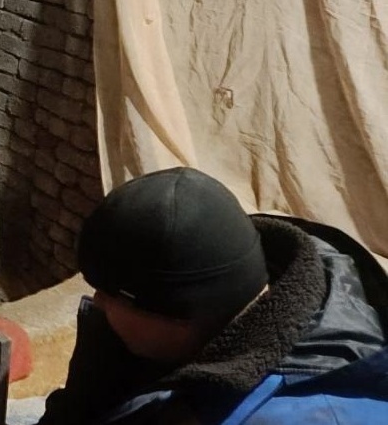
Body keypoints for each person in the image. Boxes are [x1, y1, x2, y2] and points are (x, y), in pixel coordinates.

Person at [37, 167, 388, 424]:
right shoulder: (248, 294)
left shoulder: (292, 416)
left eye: (109, 294)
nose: (97, 302)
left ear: (176, 317)